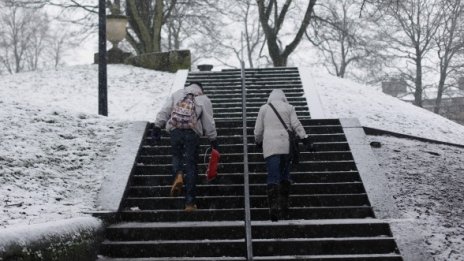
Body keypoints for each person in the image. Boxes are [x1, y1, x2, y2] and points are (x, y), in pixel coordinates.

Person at [153, 82, 218, 212]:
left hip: (175, 131)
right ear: (201, 89)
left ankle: (178, 174)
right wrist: (213, 139)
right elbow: (208, 122)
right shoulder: (203, 99)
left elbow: (165, 110)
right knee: (191, 165)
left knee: (176, 155)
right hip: (192, 133)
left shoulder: (177, 94)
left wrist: (157, 126)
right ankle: (189, 203)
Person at [254, 89, 313, 221]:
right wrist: (305, 139)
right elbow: (296, 125)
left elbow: (258, 130)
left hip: (270, 146)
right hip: (285, 145)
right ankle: (284, 206)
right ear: (283, 98)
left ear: (270, 98)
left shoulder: (264, 108)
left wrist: (258, 141)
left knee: (273, 175)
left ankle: (273, 208)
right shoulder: (289, 107)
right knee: (285, 175)